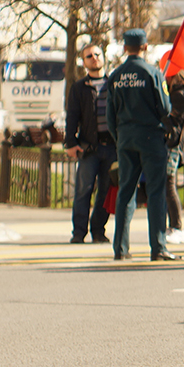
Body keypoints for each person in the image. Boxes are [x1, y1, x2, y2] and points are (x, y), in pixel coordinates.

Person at [106, 29, 176, 262]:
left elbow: (110, 115)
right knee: (155, 192)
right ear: (145, 47)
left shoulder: (115, 75)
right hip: (150, 138)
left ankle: (120, 248)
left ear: (125, 48)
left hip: (125, 138)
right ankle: (158, 247)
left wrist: (120, 138)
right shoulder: (153, 73)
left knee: (125, 191)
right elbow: (165, 108)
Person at [64, 42, 113, 244]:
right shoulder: (79, 88)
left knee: (106, 190)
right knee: (83, 190)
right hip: (89, 147)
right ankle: (79, 232)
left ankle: (98, 230)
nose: (94, 58)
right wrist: (70, 143)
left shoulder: (113, 84)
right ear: (84, 62)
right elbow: (72, 116)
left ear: (103, 57)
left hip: (111, 147)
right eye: (89, 56)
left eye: (97, 54)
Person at [162, 72, 184, 246]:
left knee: (169, 184)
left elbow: (174, 120)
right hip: (174, 144)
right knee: (168, 185)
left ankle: (177, 226)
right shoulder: (180, 91)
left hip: (172, 145)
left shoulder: (179, 94)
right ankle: (174, 225)